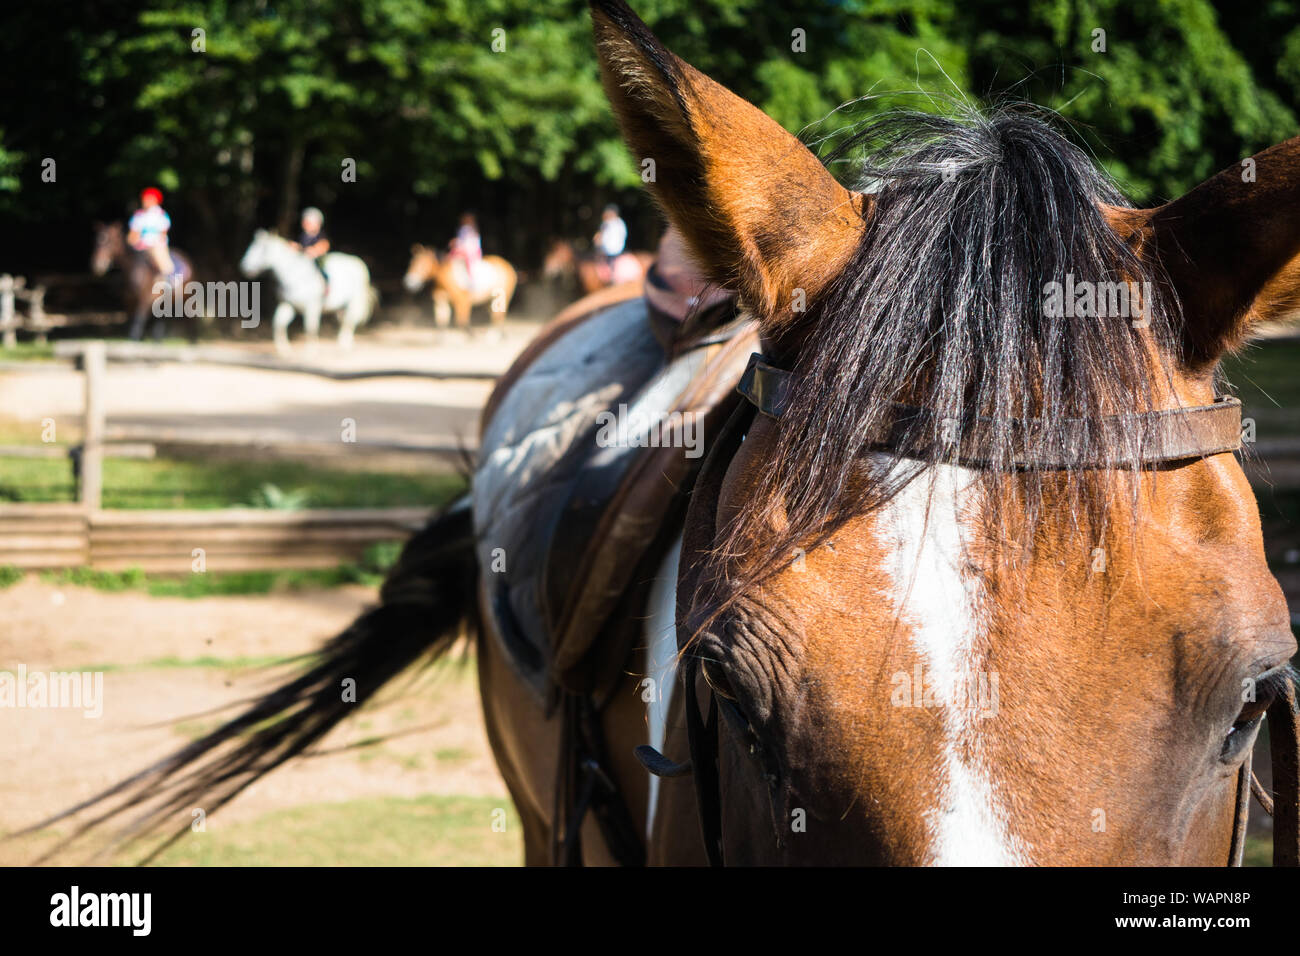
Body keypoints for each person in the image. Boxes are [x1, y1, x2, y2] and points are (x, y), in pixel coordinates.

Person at [127, 187, 176, 277]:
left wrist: (151, 243)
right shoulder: (138, 215)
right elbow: (132, 234)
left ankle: (168, 281)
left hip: (156, 246)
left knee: (163, 263)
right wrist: (133, 241)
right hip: (139, 247)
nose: (146, 201)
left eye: (149, 199)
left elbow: (162, 233)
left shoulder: (160, 215)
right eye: (145, 199)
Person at [291, 207, 330, 283]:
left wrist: (304, 249)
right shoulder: (302, 236)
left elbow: (320, 248)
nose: (305, 224)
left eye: (308, 222)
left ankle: (326, 285)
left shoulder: (321, 237)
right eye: (304, 221)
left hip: (315, 266)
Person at [449, 212, 483, 286]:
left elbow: (472, 243)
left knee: (469, 262)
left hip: (471, 251)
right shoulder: (462, 229)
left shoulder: (472, 229)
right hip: (462, 250)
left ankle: (472, 280)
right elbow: (461, 240)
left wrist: (459, 245)